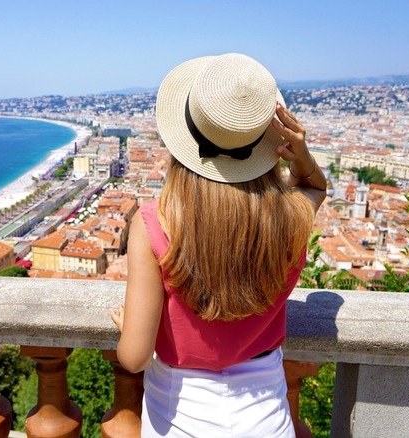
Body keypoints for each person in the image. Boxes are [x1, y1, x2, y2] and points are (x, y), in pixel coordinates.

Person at [110, 53, 327, 437]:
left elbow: (134, 358)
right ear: (265, 142)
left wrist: (131, 327)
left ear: (185, 139)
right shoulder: (291, 218)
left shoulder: (153, 224)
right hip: (267, 417)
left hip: (178, 416)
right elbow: (314, 189)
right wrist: (303, 157)